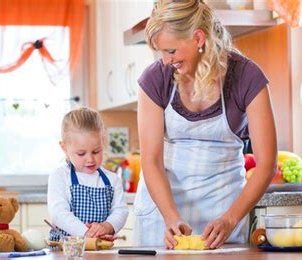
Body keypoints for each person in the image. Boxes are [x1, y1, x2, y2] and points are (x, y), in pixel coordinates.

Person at [134, 0, 277, 249]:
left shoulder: (247, 77)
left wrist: (230, 219)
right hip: (163, 212)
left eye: (171, 51)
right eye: (161, 52)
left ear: (198, 38)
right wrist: (171, 217)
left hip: (222, 214)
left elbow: (266, 164)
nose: (165, 61)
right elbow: (152, 161)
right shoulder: (155, 78)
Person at [47, 107, 128, 241]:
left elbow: (121, 211)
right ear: (64, 148)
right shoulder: (60, 176)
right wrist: (86, 232)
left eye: (96, 151)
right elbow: (59, 214)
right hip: (65, 250)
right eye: (81, 153)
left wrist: (107, 226)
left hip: (100, 250)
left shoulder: (112, 180)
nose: (90, 159)